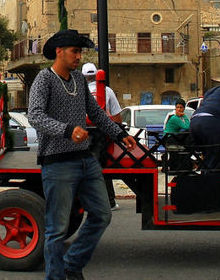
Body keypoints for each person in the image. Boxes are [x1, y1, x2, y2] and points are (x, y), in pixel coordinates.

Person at [28, 29, 137, 280]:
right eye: (74, 51)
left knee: (102, 214)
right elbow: (35, 115)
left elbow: (97, 114)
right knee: (56, 229)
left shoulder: (78, 79)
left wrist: (120, 134)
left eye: (80, 52)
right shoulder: (44, 79)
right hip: (57, 163)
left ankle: (72, 265)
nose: (79, 56)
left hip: (84, 159)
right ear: (59, 51)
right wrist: (67, 130)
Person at [82, 62, 122, 210]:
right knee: (103, 168)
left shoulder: (79, 91)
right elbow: (117, 115)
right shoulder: (107, 91)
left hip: (83, 134)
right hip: (102, 134)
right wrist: (118, 132)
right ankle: (109, 201)